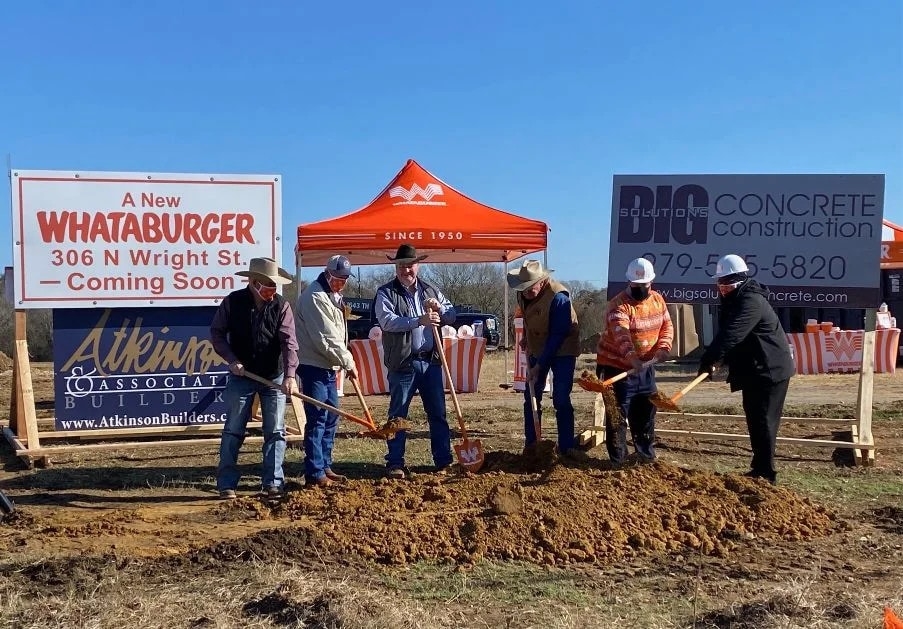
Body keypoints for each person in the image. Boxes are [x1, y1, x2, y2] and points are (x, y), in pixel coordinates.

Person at [698, 254, 795, 484]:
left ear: (739, 280)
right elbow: (736, 339)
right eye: (719, 283)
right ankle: (759, 468)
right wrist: (720, 361)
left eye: (725, 283)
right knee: (754, 418)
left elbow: (732, 334)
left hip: (770, 369)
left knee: (764, 421)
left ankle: (766, 474)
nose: (721, 288)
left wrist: (710, 357)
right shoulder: (734, 300)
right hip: (754, 369)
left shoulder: (750, 301)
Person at [210, 257, 298, 499]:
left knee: (276, 430)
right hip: (242, 375)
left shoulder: (282, 306)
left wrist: (290, 375)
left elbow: (289, 343)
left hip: (273, 375)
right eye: (267, 285)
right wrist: (231, 359)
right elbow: (216, 334)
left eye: (274, 286)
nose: (271, 290)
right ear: (253, 282)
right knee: (233, 429)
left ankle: (273, 483)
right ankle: (226, 484)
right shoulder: (232, 303)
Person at [374, 244, 456, 479]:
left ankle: (443, 460)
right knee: (398, 415)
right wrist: (418, 320)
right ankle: (395, 462)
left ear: (417, 266)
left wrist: (441, 311)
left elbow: (451, 314)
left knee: (438, 414)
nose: (406, 270)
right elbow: (388, 322)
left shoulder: (431, 290)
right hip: (403, 363)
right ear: (396, 267)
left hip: (430, 362)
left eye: (409, 265)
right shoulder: (385, 292)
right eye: (401, 266)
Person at [596, 258, 673, 465]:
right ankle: (618, 461)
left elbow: (667, 326)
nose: (641, 289)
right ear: (630, 282)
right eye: (637, 286)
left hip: (645, 366)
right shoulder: (618, 305)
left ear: (651, 283)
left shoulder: (657, 300)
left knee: (646, 411)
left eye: (644, 286)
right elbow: (621, 335)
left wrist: (664, 347)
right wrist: (631, 357)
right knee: (617, 415)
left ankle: (645, 456)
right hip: (615, 366)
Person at [296, 255, 358, 487]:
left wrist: (343, 361)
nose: (340, 283)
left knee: (331, 415)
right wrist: (348, 362)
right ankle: (314, 472)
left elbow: (337, 334)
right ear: (326, 273)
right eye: (336, 278)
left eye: (344, 280)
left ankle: (325, 465)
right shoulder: (315, 297)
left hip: (328, 365)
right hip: (313, 365)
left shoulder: (334, 296)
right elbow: (326, 339)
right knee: (318, 417)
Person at [507, 259, 580, 454]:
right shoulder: (522, 294)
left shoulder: (559, 298)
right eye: (524, 288)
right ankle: (532, 445)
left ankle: (566, 448)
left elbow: (557, 336)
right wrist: (526, 339)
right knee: (530, 395)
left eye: (531, 287)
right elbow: (528, 318)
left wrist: (539, 366)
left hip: (563, 347)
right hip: (538, 346)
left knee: (561, 398)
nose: (527, 292)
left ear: (542, 281)